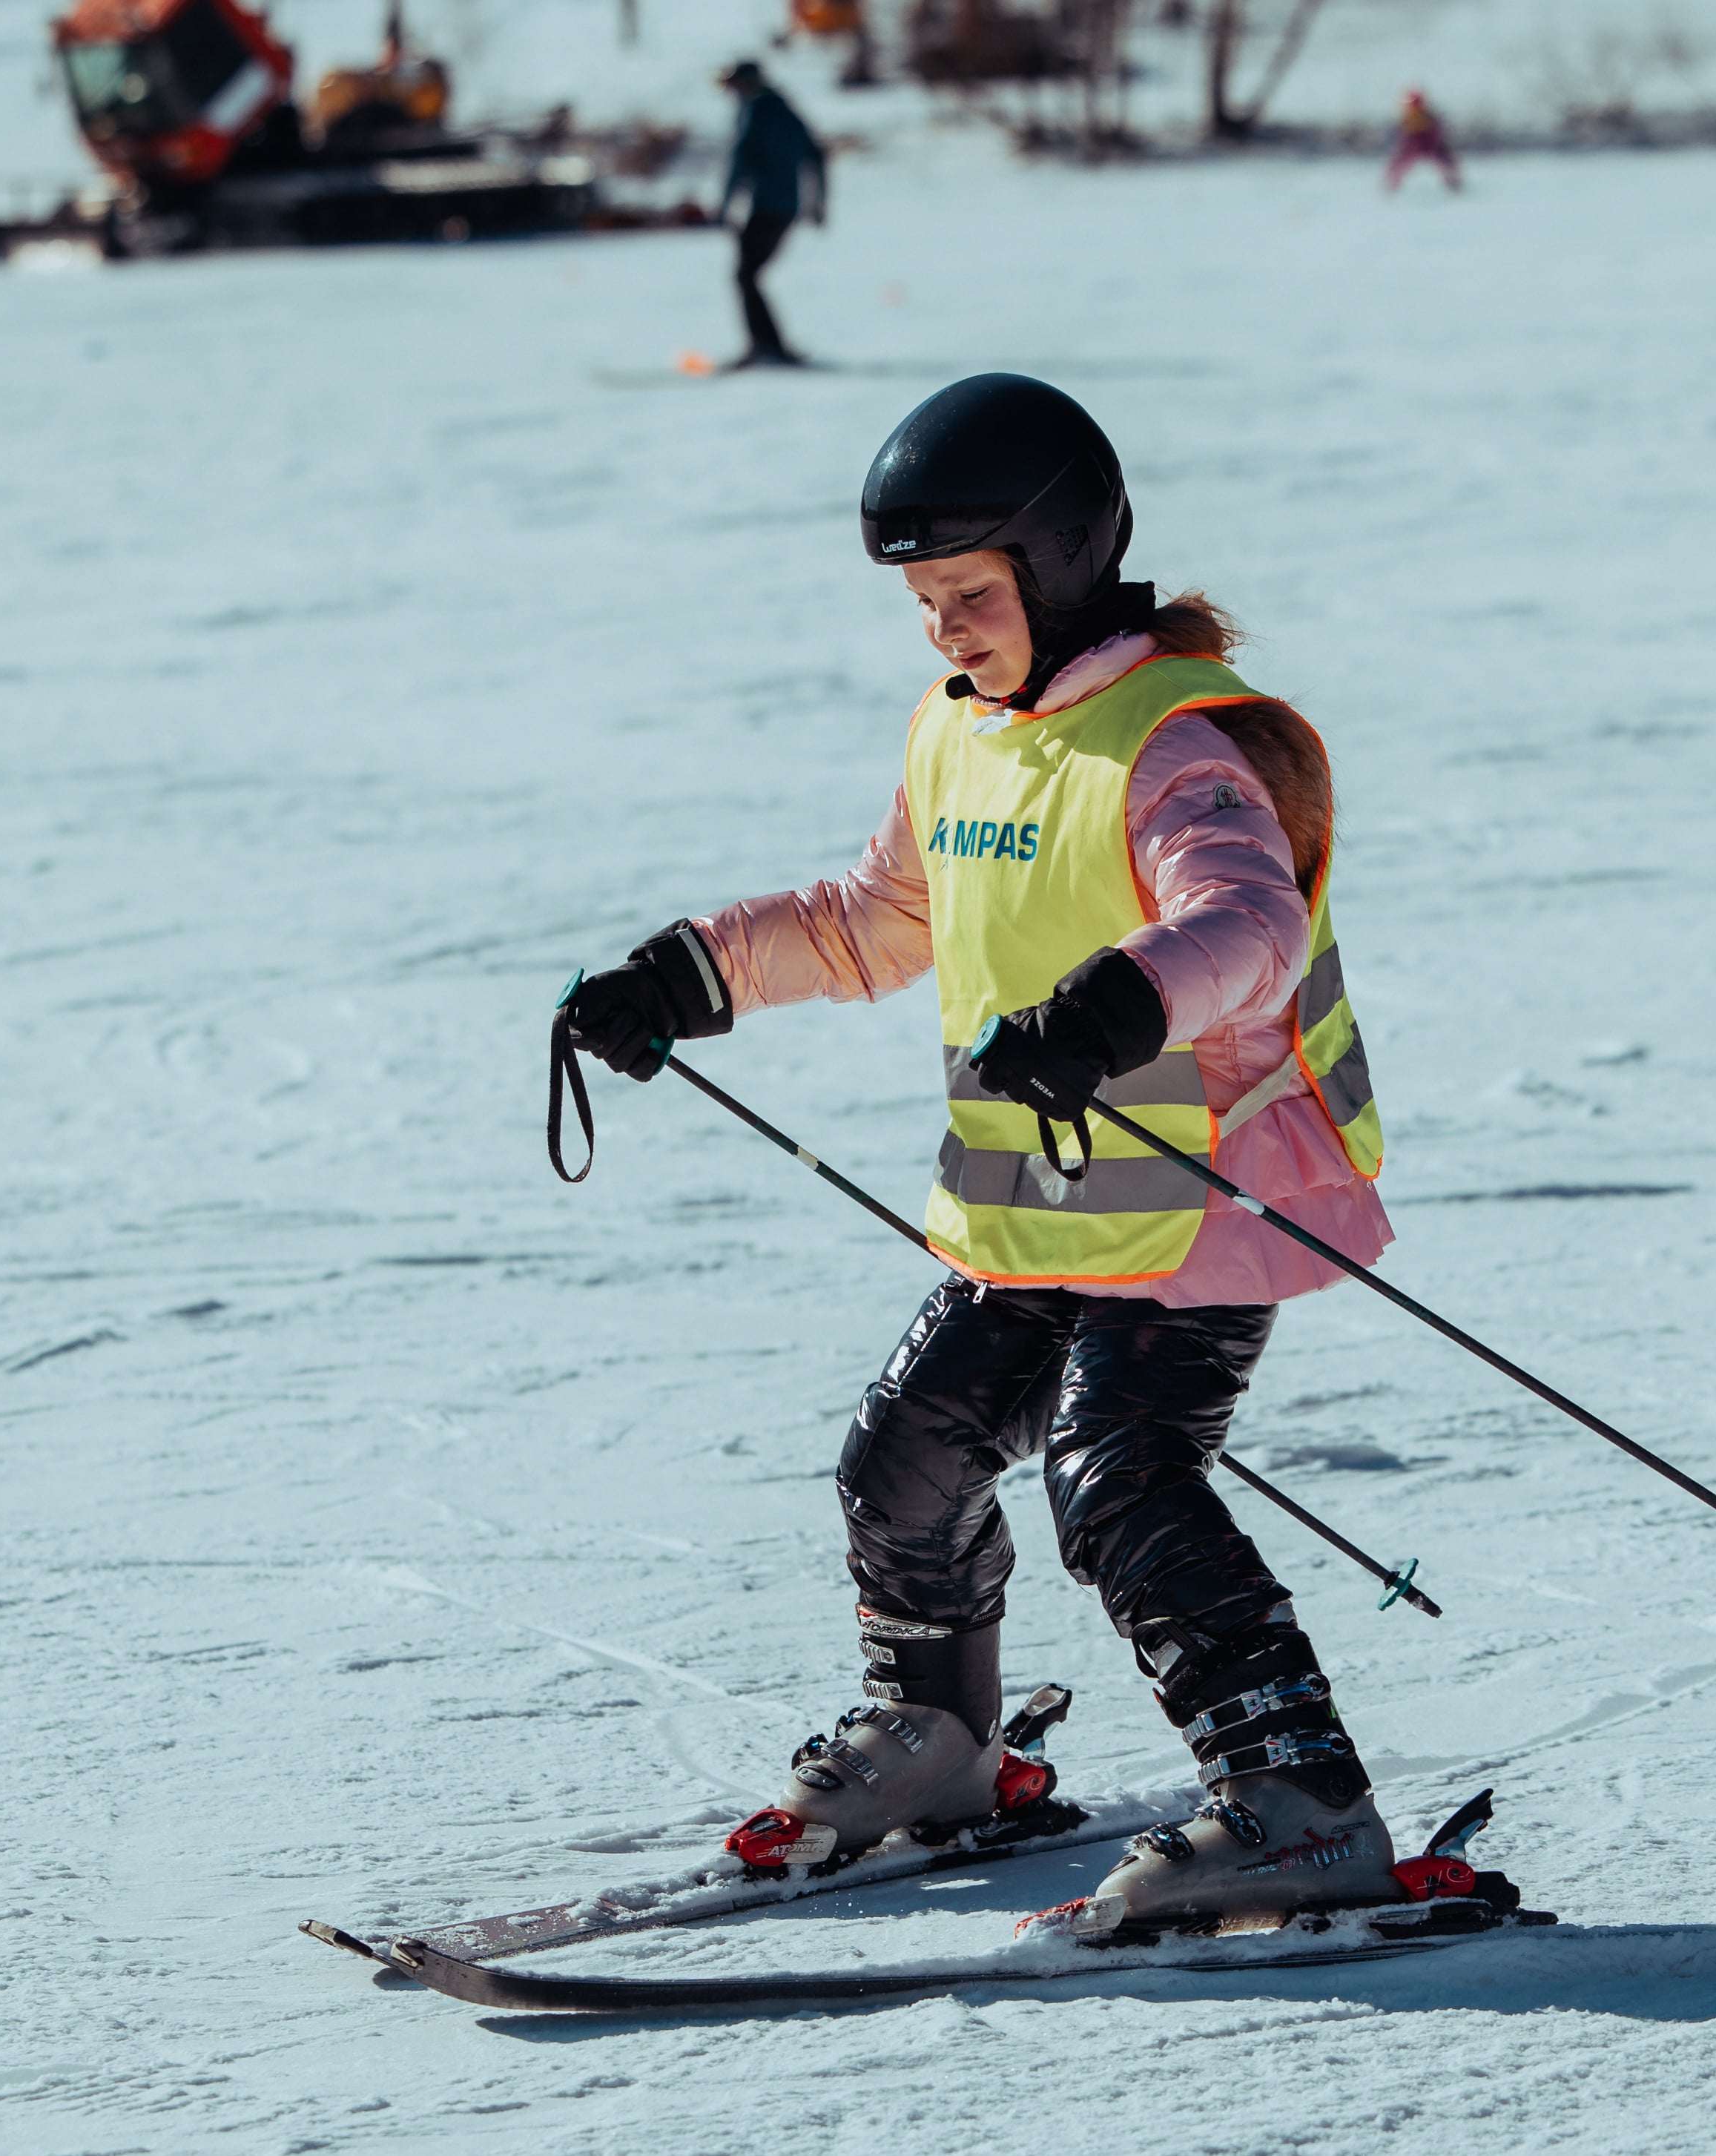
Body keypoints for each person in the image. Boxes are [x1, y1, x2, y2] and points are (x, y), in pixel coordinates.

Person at [560, 375, 1402, 1939]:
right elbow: (875, 920)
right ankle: (939, 1740)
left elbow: (1249, 923)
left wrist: (1110, 1004)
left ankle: (1298, 1799)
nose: (940, 629)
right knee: (907, 1455)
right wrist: (685, 974)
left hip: (1206, 1192)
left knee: (1119, 1484)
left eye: (966, 593)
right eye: (921, 602)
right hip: (1043, 1203)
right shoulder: (961, 739)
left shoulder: (1173, 741)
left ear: (1064, 560)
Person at [716, 60, 826, 369]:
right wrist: (818, 202)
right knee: (749, 276)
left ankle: (766, 347)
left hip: (766, 207)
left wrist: (725, 205)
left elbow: (741, 159)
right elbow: (816, 154)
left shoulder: (757, 110)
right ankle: (770, 345)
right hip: (786, 208)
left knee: (746, 276)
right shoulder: (784, 108)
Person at [1384, 87, 1462, 194]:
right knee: (1401, 163)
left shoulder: (1426, 116)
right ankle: (1392, 183)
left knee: (1445, 161)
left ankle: (1453, 181)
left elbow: (1439, 128)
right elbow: (1399, 132)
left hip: (1428, 142)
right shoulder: (1408, 117)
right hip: (1415, 143)